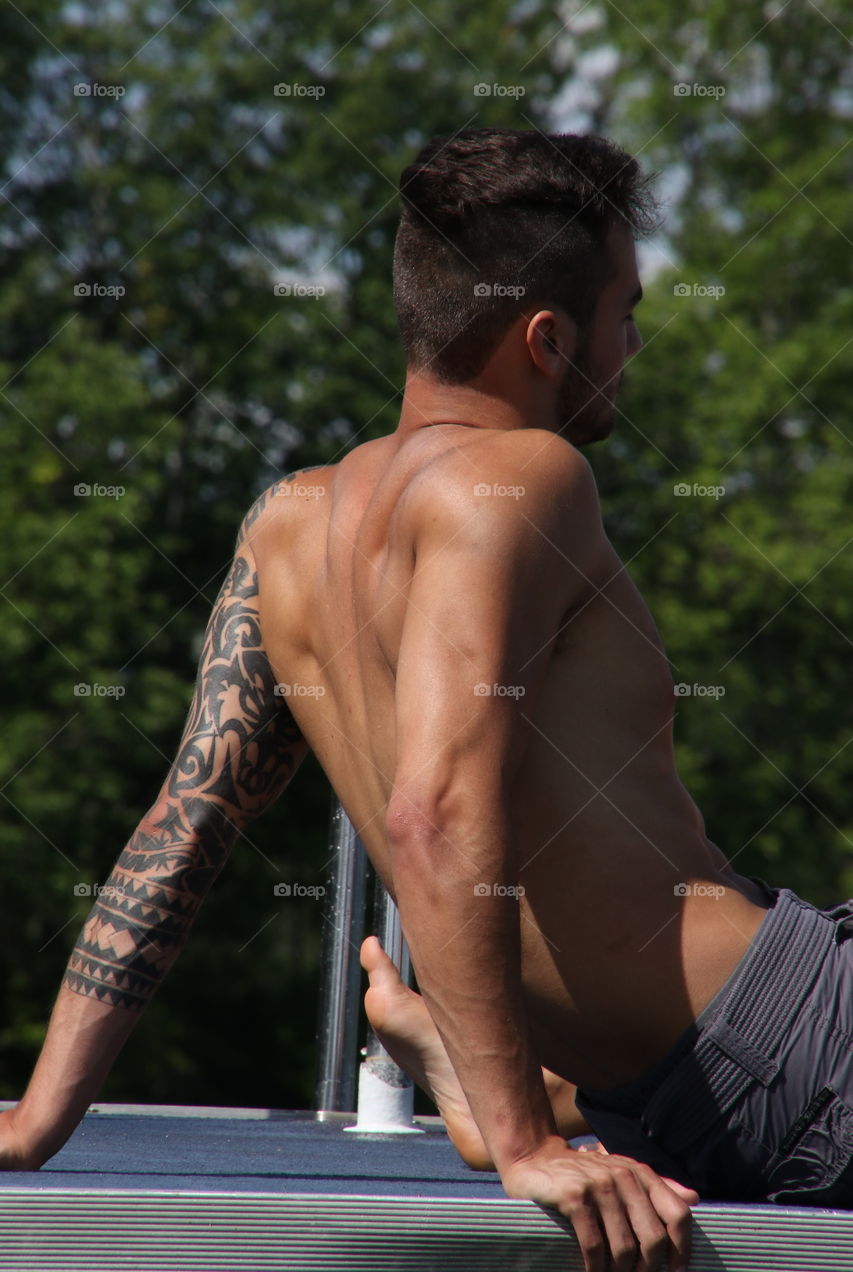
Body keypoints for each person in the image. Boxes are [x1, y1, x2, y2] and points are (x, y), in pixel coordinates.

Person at [3, 127, 852, 1272]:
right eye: (626, 313)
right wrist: (524, 1149)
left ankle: (490, 1064)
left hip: (664, 1097)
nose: (635, 345)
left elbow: (182, 827)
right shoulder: (527, 476)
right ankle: (504, 1090)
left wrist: (37, 1118)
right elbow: (435, 811)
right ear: (547, 338)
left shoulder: (286, 522)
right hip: (796, 1040)